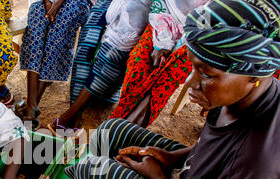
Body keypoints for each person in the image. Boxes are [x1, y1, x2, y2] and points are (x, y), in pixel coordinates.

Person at [66, 0, 280, 179]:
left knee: (90, 174)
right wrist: (172, 157)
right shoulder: (249, 94)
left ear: (253, 75)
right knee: (111, 131)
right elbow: (218, 147)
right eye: (193, 67)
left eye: (207, 74)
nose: (190, 83)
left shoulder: (259, 163)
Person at [48, 0, 152, 132]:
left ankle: (70, 115)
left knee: (111, 55)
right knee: (87, 41)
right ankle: (75, 113)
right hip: (110, 3)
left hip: (139, 11)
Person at [109, 0, 208, 127]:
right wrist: (163, 42)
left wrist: (175, 47)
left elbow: (213, 23)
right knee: (138, 63)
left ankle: (117, 130)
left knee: (164, 79)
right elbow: (161, 5)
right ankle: (120, 129)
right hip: (163, 20)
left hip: (196, 39)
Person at [17, 0, 91, 129]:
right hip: (43, 1)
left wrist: (57, 4)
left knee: (54, 40)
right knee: (35, 31)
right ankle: (32, 105)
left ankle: (31, 108)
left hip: (75, 3)